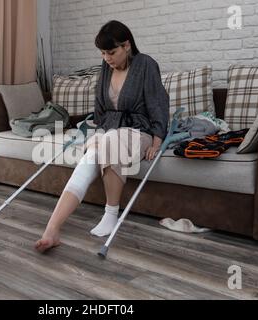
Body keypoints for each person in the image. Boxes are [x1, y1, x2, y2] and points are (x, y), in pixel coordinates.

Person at [35, 20, 170, 253]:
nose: (107, 58)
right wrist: (94, 129)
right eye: (103, 53)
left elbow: (158, 104)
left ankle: (111, 214)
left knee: (107, 143)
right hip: (110, 132)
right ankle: (52, 229)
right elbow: (100, 108)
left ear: (127, 45)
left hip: (140, 131)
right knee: (92, 155)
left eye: (112, 52)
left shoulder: (146, 64)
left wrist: (157, 140)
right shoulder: (106, 67)